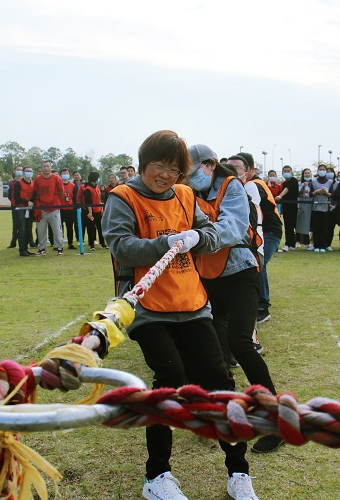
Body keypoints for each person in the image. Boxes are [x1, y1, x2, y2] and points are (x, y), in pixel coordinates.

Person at [102, 130, 258, 500]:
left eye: (175, 169)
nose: (166, 175)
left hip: (192, 302)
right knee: (169, 375)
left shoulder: (187, 195)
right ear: (144, 163)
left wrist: (198, 238)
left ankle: (238, 472)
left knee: (220, 378)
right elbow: (121, 246)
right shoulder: (123, 197)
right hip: (146, 307)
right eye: (160, 166)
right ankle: (157, 476)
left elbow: (209, 232)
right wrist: (165, 242)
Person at [187, 144, 283, 456]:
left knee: (241, 343)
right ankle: (224, 412)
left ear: (209, 165)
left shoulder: (233, 189)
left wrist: (197, 236)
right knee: (213, 352)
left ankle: (275, 419)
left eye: (190, 172)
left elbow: (231, 228)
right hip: (208, 278)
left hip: (241, 273)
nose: (187, 179)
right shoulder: (185, 192)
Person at [228, 154, 282, 324]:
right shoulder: (251, 183)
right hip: (265, 231)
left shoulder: (253, 185)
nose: (232, 171)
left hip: (269, 231)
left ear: (250, 170)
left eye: (236, 167)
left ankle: (262, 307)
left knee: (258, 263)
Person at [31, 161, 65, 256]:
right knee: (41, 230)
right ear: (41, 168)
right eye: (44, 166)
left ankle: (59, 247)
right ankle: (41, 248)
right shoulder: (38, 179)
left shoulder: (56, 178)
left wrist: (55, 200)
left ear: (50, 167)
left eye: (47, 166)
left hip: (54, 208)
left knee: (57, 230)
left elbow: (61, 191)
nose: (46, 168)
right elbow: (35, 192)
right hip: (41, 208)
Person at [13, 166, 36, 256]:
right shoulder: (18, 183)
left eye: (30, 171)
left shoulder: (33, 184)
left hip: (29, 209)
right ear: (23, 173)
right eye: (27, 171)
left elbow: (35, 194)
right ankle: (22, 250)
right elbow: (16, 197)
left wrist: (32, 202)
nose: (29, 172)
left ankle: (26, 248)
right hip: (21, 208)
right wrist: (27, 202)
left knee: (28, 229)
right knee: (22, 229)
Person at [310, 164, 333, 252]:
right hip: (315, 207)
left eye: (323, 169)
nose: (322, 171)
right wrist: (316, 192)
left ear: (326, 171)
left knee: (324, 227)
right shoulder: (314, 182)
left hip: (325, 207)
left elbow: (332, 195)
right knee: (316, 228)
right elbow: (310, 194)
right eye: (320, 169)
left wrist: (326, 193)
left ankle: (323, 246)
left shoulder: (330, 182)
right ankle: (316, 246)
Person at [275, 165, 298, 251]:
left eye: (288, 171)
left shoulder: (293, 180)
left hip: (294, 207)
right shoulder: (284, 183)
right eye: (285, 171)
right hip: (286, 207)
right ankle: (290, 244)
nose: (286, 172)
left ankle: (291, 243)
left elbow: (287, 189)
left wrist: (279, 196)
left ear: (291, 172)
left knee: (293, 225)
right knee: (288, 226)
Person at [82, 171, 106, 251]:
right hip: (91, 211)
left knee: (100, 227)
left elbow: (100, 199)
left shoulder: (97, 187)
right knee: (91, 228)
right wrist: (90, 212)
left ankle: (102, 243)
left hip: (98, 210)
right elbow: (88, 202)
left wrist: (102, 209)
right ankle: (91, 245)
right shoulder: (87, 189)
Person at [296, 168, 313, 248]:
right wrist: (303, 186)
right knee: (302, 224)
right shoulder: (300, 184)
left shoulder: (313, 183)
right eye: (305, 173)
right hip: (303, 205)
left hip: (312, 205)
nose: (307, 175)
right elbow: (297, 193)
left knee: (311, 225)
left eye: (308, 173)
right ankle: (299, 241)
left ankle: (310, 242)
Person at [7, 166, 23, 248]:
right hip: (14, 206)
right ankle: (13, 242)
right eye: (18, 170)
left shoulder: (25, 181)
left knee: (24, 226)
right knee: (15, 225)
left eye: (21, 170)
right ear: (14, 171)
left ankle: (29, 241)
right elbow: (9, 195)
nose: (19, 171)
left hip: (23, 206)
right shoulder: (11, 182)